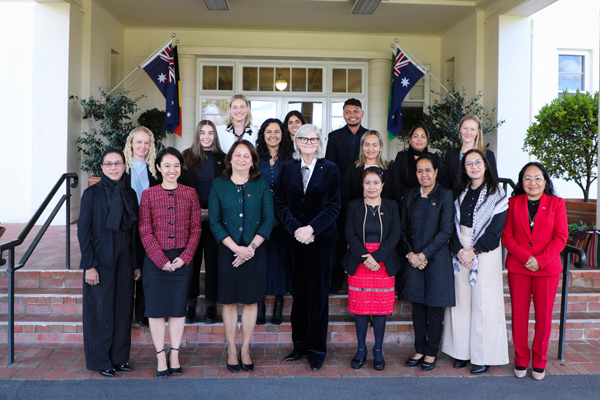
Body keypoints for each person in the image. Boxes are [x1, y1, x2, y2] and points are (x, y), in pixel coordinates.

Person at [275, 124, 341, 371]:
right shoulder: (287, 168)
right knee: (299, 295)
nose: (309, 142)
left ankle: (316, 350)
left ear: (319, 142)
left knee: (318, 296)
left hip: (321, 241)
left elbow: (334, 206)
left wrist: (311, 229)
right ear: (297, 141)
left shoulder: (331, 169)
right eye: (305, 139)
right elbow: (280, 203)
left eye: (314, 139)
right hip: (294, 242)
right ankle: (299, 344)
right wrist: (296, 229)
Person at [441, 149, 509, 375]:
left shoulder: (497, 193)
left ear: (486, 165)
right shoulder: (461, 192)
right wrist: (459, 250)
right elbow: (451, 223)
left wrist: (474, 251)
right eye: (468, 163)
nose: (473, 167)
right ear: (464, 168)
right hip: (461, 247)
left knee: (483, 303)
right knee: (461, 302)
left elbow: (496, 229)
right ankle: (461, 352)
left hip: (485, 250)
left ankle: (483, 356)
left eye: (477, 162)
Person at [209, 140, 274, 373]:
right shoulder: (218, 184)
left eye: (247, 156)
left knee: (250, 300)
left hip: (255, 252)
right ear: (230, 159)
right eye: (237, 155)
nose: (242, 159)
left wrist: (251, 248)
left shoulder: (261, 184)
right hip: (228, 252)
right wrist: (236, 249)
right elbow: (214, 221)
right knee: (228, 301)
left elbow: (268, 220)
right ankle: (232, 349)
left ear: (253, 160)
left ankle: (245, 348)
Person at [138, 147, 202, 378]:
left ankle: (174, 353)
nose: (172, 170)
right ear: (158, 167)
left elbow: (196, 229)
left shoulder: (190, 193)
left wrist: (185, 257)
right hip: (156, 260)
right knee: (155, 311)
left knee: (177, 309)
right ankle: (160, 356)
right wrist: (160, 259)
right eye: (167, 165)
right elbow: (145, 230)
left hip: (182, 260)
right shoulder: (148, 194)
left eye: (176, 165)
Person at [502, 162, 568, 381]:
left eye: (537, 178)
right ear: (522, 182)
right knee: (519, 315)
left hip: (547, 269)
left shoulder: (556, 203)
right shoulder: (513, 203)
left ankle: (539, 361)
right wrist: (525, 258)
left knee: (544, 317)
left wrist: (540, 261)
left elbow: (560, 237)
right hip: (518, 268)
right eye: (528, 178)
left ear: (545, 181)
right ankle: (521, 359)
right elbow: (507, 236)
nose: (533, 182)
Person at [77, 148, 140, 377]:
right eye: (109, 164)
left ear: (124, 166)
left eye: (118, 163)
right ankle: (101, 360)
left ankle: (120, 357)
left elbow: (134, 232)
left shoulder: (130, 193)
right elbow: (83, 232)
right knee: (101, 310)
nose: (114, 167)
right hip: (100, 260)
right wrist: (89, 265)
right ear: (102, 167)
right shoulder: (91, 194)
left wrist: (135, 264)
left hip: (124, 259)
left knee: (123, 310)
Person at [342, 167, 401, 371]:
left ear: (382, 185)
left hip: (383, 262)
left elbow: (395, 234)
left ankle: (377, 350)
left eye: (376, 182)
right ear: (362, 185)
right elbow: (349, 233)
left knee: (380, 309)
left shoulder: (392, 206)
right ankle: (360, 350)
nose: (372, 186)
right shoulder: (354, 206)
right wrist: (366, 257)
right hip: (360, 262)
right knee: (360, 309)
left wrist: (377, 257)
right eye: (368, 182)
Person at [400, 154, 455, 372]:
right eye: (420, 171)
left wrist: (423, 255)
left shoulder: (445, 195)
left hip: (436, 260)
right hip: (413, 260)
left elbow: (446, 231)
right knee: (418, 309)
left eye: (428, 170)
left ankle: (431, 352)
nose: (424, 175)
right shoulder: (410, 195)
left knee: (434, 310)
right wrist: (411, 254)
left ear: (436, 172)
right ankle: (419, 349)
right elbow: (402, 229)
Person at [181, 120, 226, 325]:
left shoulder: (223, 158)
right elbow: (180, 188)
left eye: (210, 133)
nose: (207, 137)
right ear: (197, 135)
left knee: (213, 261)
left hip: (216, 217)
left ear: (214, 136)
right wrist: (194, 212)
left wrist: (212, 212)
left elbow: (226, 190)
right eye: (203, 133)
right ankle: (190, 305)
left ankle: (210, 306)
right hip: (192, 216)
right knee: (191, 261)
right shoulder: (186, 156)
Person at [326, 98, 368, 294]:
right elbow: (330, 167)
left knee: (364, 239)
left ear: (361, 113)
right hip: (342, 195)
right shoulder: (334, 137)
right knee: (341, 239)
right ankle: (336, 283)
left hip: (366, 194)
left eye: (355, 111)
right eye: (348, 112)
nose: (352, 115)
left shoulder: (369, 136)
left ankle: (363, 283)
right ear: (343, 114)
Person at [255, 118, 294, 325]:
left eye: (277, 131)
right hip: (259, 218)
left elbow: (292, 189)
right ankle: (260, 304)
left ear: (282, 134)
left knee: (280, 260)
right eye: (268, 131)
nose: (272, 135)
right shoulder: (255, 157)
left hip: (283, 218)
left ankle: (278, 303)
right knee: (261, 259)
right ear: (263, 134)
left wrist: (280, 217)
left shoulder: (290, 159)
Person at [123, 126, 159, 328]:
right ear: (131, 143)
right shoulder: (122, 167)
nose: (143, 146)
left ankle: (143, 314)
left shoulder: (155, 168)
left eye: (147, 142)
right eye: (139, 142)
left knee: (146, 269)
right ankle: (125, 313)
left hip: (149, 225)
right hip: (128, 226)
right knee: (129, 269)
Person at [342, 130, 403, 208]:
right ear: (362, 147)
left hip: (384, 215)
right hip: (358, 215)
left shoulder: (389, 168)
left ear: (380, 147)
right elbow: (345, 197)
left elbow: (395, 197)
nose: (370, 149)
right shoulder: (352, 167)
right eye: (367, 145)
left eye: (374, 145)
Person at [442, 114, 498, 191]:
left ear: (478, 132)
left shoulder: (487, 155)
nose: (468, 132)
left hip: (480, 200)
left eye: (472, 129)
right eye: (465, 128)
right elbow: (445, 183)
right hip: (454, 200)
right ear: (460, 130)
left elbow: (493, 182)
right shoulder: (451, 155)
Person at [394, 125, 442, 193]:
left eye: (422, 136)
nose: (419, 139)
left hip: (430, 198)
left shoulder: (434, 158)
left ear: (427, 140)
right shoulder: (401, 157)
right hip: (405, 198)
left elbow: (439, 180)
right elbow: (396, 181)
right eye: (416, 136)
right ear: (410, 139)